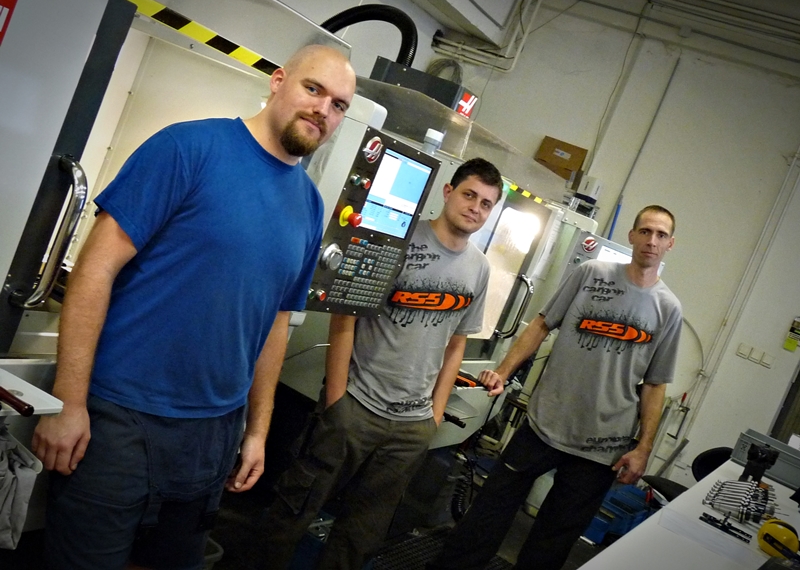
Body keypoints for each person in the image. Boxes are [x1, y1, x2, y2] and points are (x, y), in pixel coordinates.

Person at [31, 44, 356, 570]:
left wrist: (257, 430)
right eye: (313, 89)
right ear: (278, 81)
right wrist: (68, 402)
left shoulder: (309, 205)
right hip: (120, 419)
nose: (323, 109)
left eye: (339, 105)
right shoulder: (188, 148)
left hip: (213, 434)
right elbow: (95, 268)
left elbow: (276, 324)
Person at [262, 159, 504, 570]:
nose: (475, 208)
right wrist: (337, 399)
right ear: (448, 192)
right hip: (356, 406)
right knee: (294, 509)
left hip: (412, 426)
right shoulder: (399, 243)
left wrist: (434, 416)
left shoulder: (479, 269)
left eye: (486, 204)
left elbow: (457, 342)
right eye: (469, 195)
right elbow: (346, 315)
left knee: (361, 535)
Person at [428, 205, 683, 570]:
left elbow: (655, 384)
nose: (651, 241)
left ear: (670, 244)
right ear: (632, 235)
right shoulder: (591, 273)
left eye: (660, 235)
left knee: (552, 541)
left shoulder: (669, 308)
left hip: (602, 446)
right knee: (488, 512)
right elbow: (541, 325)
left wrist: (643, 448)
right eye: (645, 231)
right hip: (543, 424)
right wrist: (502, 371)